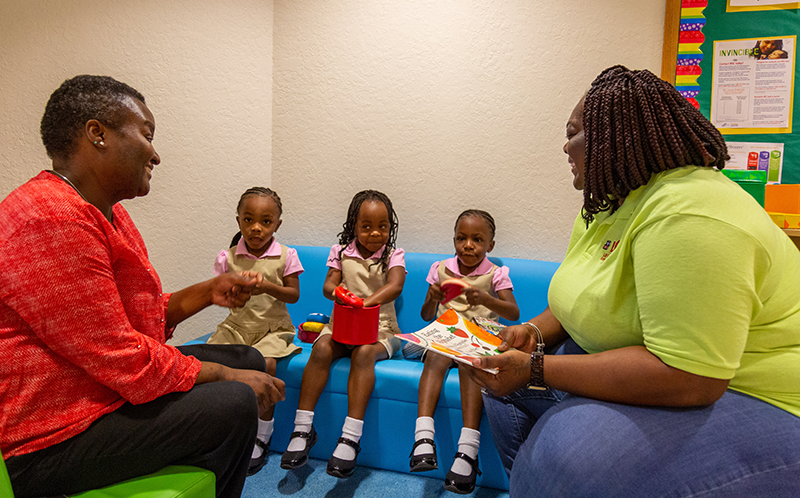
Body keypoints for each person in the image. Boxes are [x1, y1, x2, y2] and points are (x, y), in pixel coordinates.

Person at [464, 66, 800, 496]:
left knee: (565, 458)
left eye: (573, 133)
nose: (565, 146)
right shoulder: (606, 205)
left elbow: (691, 376)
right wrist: (530, 333)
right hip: (662, 369)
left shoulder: (689, 212)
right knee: (501, 392)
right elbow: (576, 302)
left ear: (612, 135)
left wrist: (535, 369)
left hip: (753, 392)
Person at [0, 75, 286, 498]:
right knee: (233, 401)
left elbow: (130, 320)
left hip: (102, 392)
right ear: (97, 134)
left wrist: (207, 292)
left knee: (248, 357)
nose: (155, 154)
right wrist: (228, 376)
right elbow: (120, 357)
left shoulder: (105, 212)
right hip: (52, 437)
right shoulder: (49, 218)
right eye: (147, 135)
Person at [280, 190, 405, 479]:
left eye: (383, 226)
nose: (375, 233)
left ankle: (350, 436)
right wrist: (338, 293)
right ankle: (302, 428)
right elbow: (328, 286)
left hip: (381, 329)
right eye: (366, 226)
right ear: (353, 226)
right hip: (342, 326)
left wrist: (368, 302)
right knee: (321, 348)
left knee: (363, 353)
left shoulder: (393, 255)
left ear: (391, 227)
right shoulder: (339, 252)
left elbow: (396, 285)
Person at [405, 209, 519, 494]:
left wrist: (486, 298)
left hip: (478, 340)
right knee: (437, 354)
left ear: (490, 245)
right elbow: (425, 315)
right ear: (454, 240)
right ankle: (423, 438)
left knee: (472, 363)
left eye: (477, 240)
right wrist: (432, 298)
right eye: (461, 238)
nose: (468, 245)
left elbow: (513, 312)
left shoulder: (496, 274)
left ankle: (467, 451)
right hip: (444, 338)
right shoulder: (440, 269)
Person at [208, 186, 303, 475]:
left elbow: (293, 295)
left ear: (277, 224)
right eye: (248, 220)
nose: (256, 228)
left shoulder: (287, 255)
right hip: (236, 328)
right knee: (207, 362)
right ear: (238, 221)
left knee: (267, 364)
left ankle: (262, 435)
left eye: (265, 221)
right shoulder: (228, 257)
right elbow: (219, 293)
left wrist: (267, 286)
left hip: (272, 330)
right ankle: (218, 431)